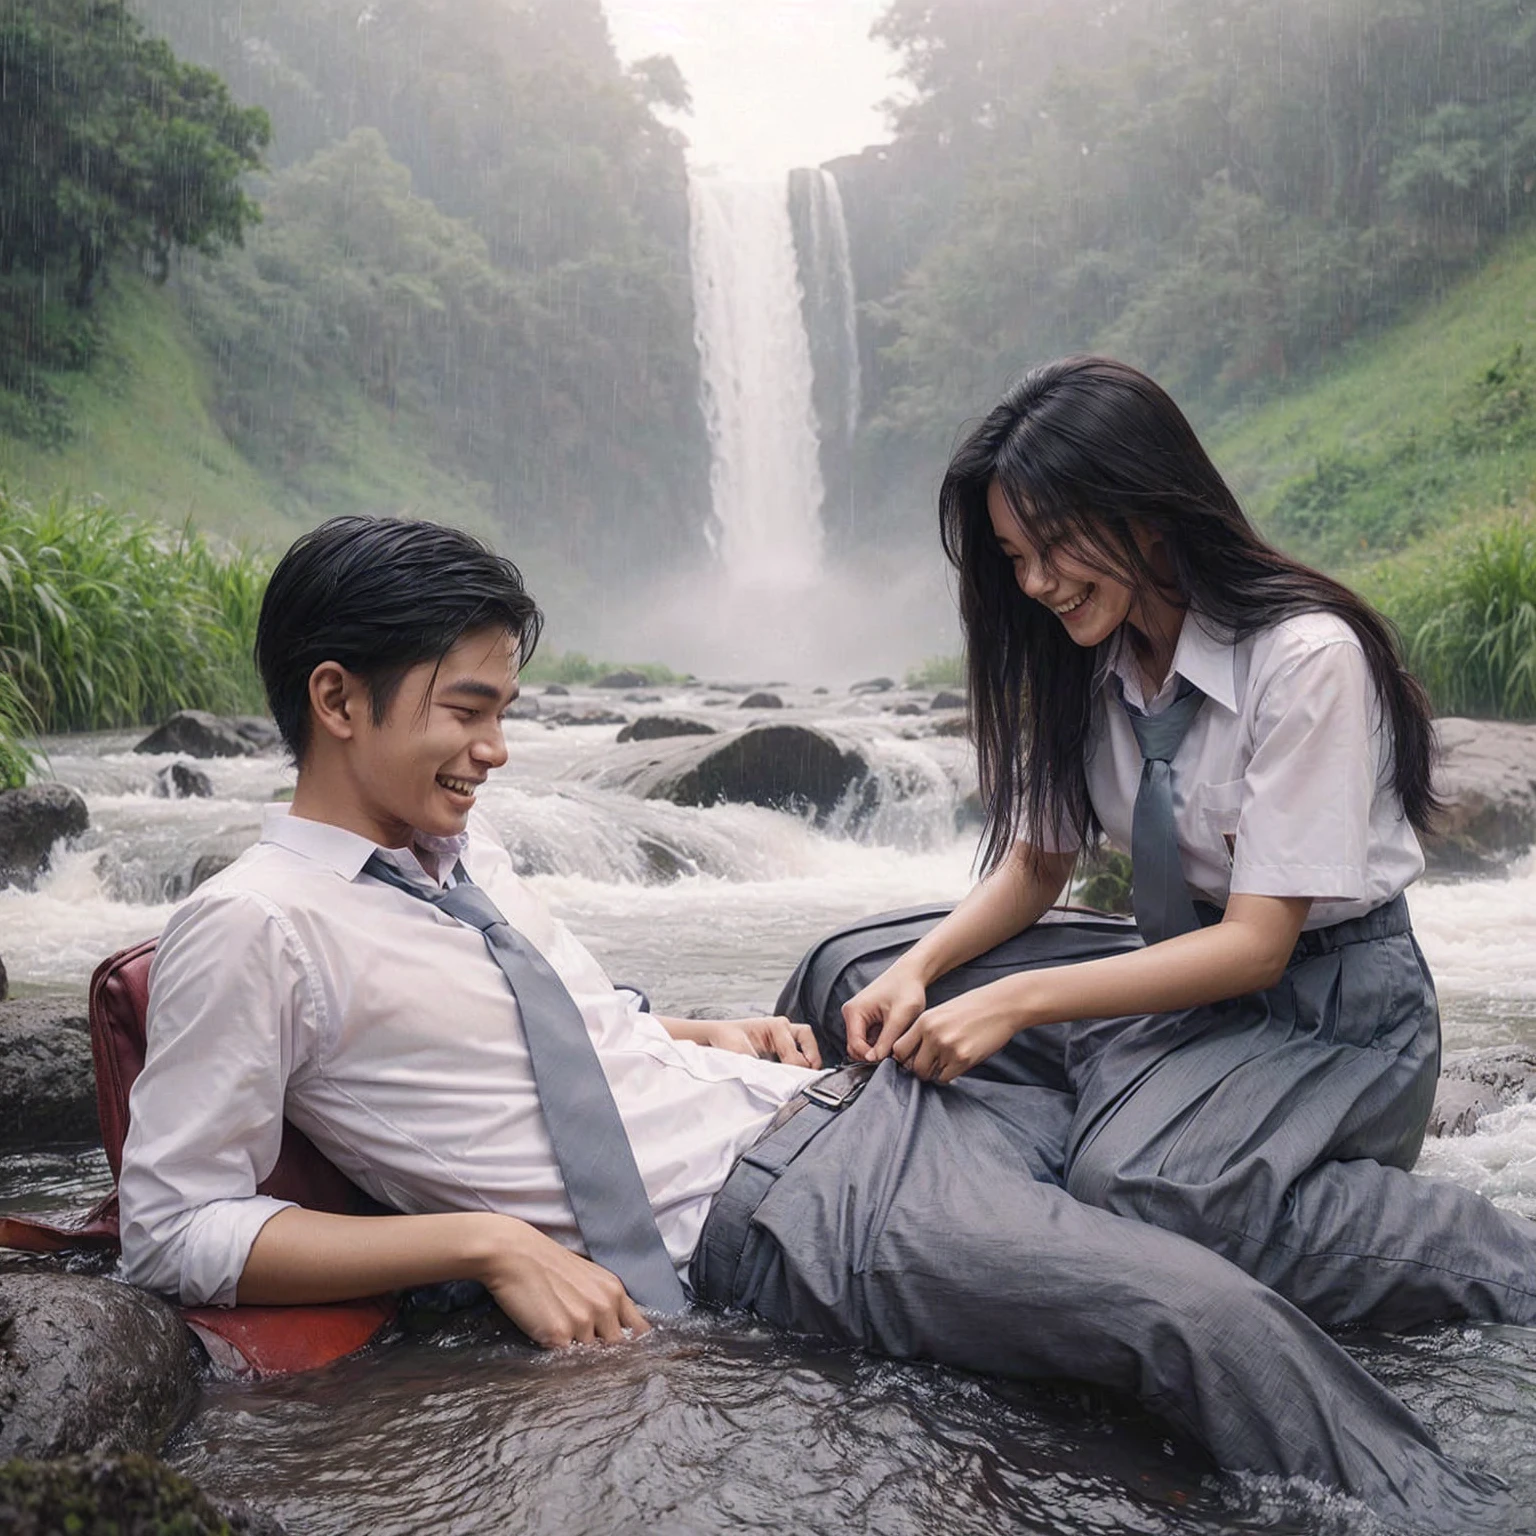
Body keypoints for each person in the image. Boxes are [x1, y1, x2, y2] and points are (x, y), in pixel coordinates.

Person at [118, 515, 1513, 1528]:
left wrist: (713, 1032)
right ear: (337, 700)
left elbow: (558, 1035)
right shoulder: (255, 927)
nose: (497, 749)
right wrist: (487, 1240)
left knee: (1188, 1192)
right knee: (1188, 1312)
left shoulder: (458, 857)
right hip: (790, 1212)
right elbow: (174, 1224)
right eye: (468, 710)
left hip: (837, 1110)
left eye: (505, 709)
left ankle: (1504, 1258)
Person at [840, 354, 1536, 1337]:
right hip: (1181, 982)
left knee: (1135, 1185)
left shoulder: (1305, 659)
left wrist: (1010, 1001)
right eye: (1013, 558)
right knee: (860, 979)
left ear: (1144, 507)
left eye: (1052, 547)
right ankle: (1176, 1137)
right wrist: (917, 972)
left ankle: (1490, 1258)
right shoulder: (1081, 665)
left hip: (1333, 1013)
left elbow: (1259, 946)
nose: (1035, 583)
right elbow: (1038, 869)